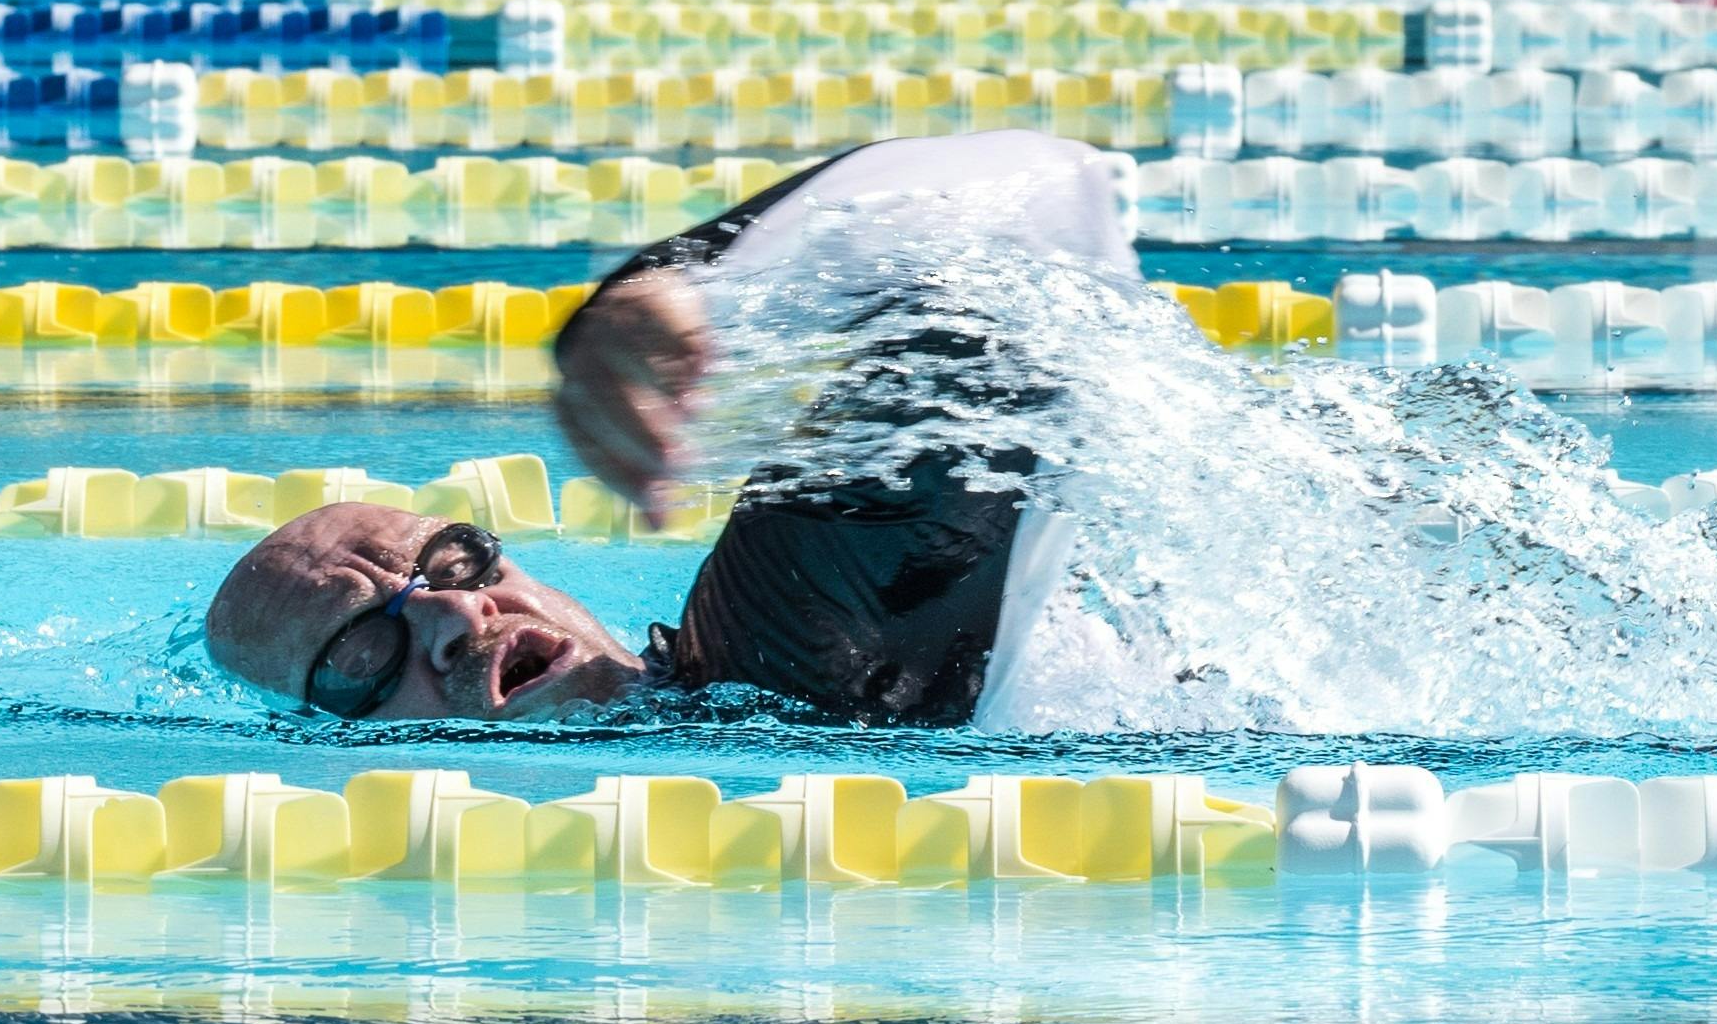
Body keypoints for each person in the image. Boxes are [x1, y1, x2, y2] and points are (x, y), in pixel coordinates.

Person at [200, 131, 1124, 728]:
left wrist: (693, 275)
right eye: (362, 654)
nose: (454, 613)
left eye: (451, 564)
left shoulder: (795, 641)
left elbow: (1047, 198)